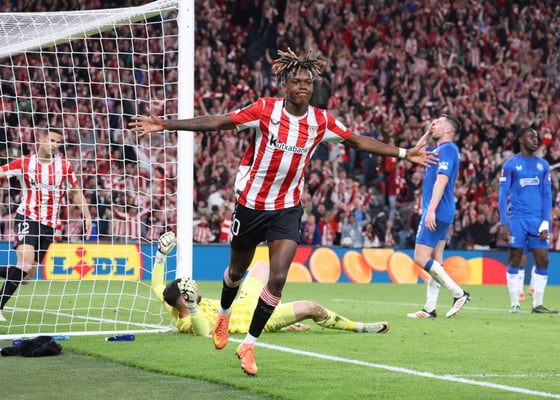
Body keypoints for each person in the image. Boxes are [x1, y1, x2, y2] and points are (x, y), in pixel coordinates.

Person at [131, 48, 435, 376]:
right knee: (236, 272)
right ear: (285, 86)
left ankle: (249, 344)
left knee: (277, 278)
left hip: (287, 207)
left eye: (308, 81)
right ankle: (223, 314)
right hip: (250, 204)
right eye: (297, 81)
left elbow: (357, 141)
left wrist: (404, 153)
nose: (303, 85)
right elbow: (218, 121)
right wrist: (165, 124)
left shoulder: (321, 121)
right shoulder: (264, 110)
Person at [152, 232, 390, 335]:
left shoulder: (171, 302)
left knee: (262, 266)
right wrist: (193, 307)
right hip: (256, 319)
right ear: (184, 299)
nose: (195, 287)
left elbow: (157, 288)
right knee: (312, 308)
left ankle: (283, 312)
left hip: (244, 302)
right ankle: (360, 327)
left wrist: (161, 255)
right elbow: (203, 332)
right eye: (190, 288)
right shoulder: (186, 321)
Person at [0, 128, 92, 322]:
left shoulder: (64, 166)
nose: (55, 145)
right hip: (27, 217)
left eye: (58, 142)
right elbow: (2, 172)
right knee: (25, 262)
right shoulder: (24, 162)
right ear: (41, 139)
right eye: (52, 140)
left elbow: (76, 192)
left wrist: (87, 216)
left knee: (26, 276)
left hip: (49, 225)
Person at [407, 115, 470, 319]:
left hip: (438, 209)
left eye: (439, 123)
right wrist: (427, 132)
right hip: (443, 209)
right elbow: (414, 153)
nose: (434, 124)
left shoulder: (448, 149)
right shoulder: (437, 150)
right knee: (436, 258)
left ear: (448, 130)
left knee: (420, 257)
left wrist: (431, 210)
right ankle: (430, 308)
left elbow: (442, 180)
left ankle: (458, 293)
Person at [498, 127, 557, 314]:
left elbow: (547, 195)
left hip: (538, 220)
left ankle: (537, 304)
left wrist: (546, 221)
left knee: (543, 259)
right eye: (531, 136)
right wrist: (503, 222)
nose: (535, 139)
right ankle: (514, 303)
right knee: (515, 259)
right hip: (517, 219)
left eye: (536, 137)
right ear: (520, 140)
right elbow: (502, 195)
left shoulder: (543, 165)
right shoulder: (510, 164)